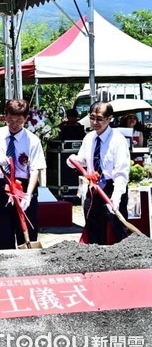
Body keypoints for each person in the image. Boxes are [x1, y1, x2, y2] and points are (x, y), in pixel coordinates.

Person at [0, 99, 47, 250]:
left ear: (26, 119)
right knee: (4, 234)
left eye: (19, 120)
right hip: (2, 187)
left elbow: (35, 169)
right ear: (5, 117)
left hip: (24, 187)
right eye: (10, 119)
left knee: (27, 234)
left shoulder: (32, 140)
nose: (14, 123)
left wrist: (28, 195)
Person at [67, 102, 130, 245]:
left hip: (111, 187)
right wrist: (73, 160)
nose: (95, 122)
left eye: (100, 119)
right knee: (93, 227)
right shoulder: (89, 138)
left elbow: (121, 172)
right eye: (92, 118)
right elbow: (83, 160)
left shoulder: (118, 140)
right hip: (93, 188)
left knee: (117, 229)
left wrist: (116, 196)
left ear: (109, 118)